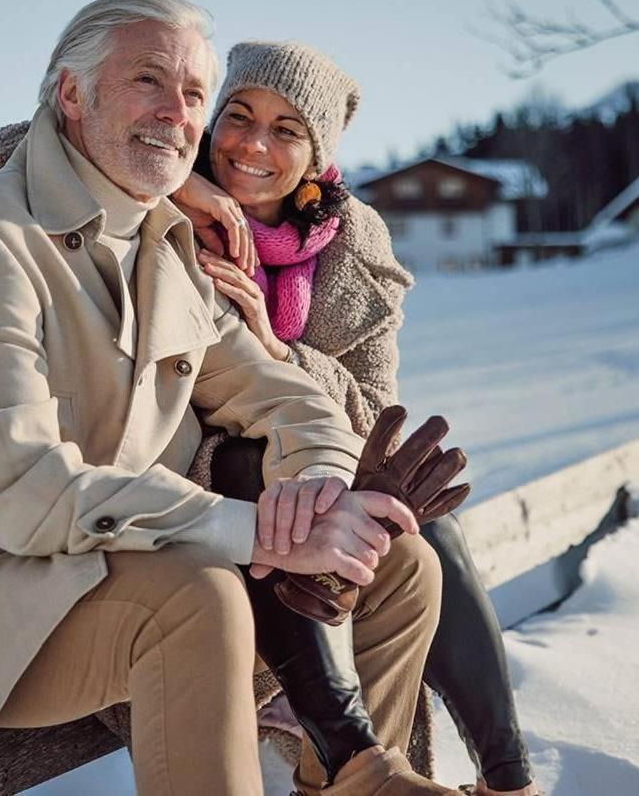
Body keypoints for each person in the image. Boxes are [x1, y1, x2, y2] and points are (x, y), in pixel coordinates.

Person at [0, 0, 461, 796]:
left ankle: (353, 782)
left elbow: (283, 394)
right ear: (71, 95)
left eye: (192, 94)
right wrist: (262, 536)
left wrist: (318, 488)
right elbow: (20, 491)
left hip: (108, 564)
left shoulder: (166, 245)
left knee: (400, 566)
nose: (177, 113)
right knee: (195, 597)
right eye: (150, 80)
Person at [166, 40, 540, 796]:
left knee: (424, 526)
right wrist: (182, 184)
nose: (253, 145)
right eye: (237, 117)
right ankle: (354, 767)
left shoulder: (351, 240)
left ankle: (509, 779)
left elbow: (374, 408)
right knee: (272, 479)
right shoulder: (156, 176)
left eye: (287, 129)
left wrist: (278, 350)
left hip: (319, 462)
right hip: (193, 473)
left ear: (317, 153)